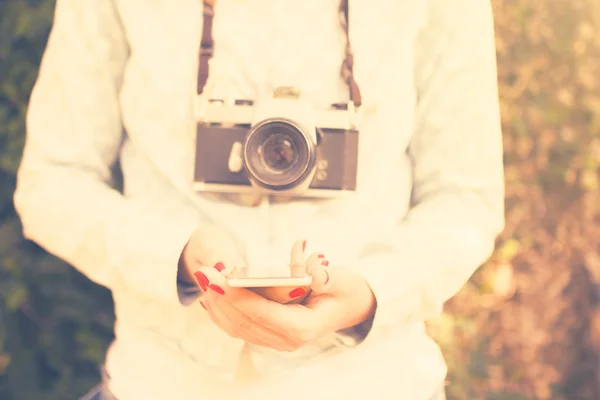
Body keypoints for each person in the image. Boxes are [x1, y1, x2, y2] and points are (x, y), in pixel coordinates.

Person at [13, 0, 504, 399]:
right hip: (161, 381)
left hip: (378, 381)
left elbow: (466, 199)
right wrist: (174, 255)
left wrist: (374, 290)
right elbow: (52, 182)